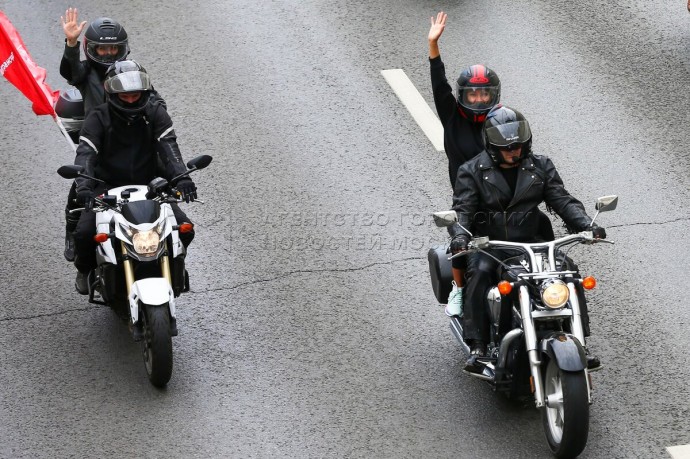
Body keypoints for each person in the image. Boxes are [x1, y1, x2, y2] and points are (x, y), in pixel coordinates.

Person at [449, 106, 605, 371]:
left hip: (533, 243)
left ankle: (579, 340)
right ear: (492, 146)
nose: (514, 151)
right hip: (491, 245)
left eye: (519, 146)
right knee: (480, 273)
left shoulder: (540, 165)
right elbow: (463, 210)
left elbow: (561, 199)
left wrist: (586, 224)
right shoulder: (472, 171)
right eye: (507, 148)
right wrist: (461, 236)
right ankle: (478, 345)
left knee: (569, 272)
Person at [427, 11, 555, 318]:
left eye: (484, 92)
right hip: (470, 195)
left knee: (542, 225)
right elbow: (439, 86)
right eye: (473, 92)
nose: (479, 97)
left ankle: (547, 277)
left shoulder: (500, 122)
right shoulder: (452, 117)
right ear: (462, 96)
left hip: (504, 191)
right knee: (462, 242)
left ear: (494, 95)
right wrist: (433, 47)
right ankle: (459, 290)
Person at [72, 60, 197, 294]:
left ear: (144, 92)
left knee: (183, 228)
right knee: (84, 233)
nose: (131, 100)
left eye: (135, 95)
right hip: (107, 187)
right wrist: (84, 187)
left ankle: (173, 265)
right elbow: (86, 155)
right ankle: (85, 270)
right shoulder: (97, 118)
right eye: (124, 96)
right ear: (113, 93)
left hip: (150, 185)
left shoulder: (155, 113)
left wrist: (182, 179)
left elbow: (169, 149)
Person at [59, 9, 131, 262]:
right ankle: (71, 229)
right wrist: (71, 44)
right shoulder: (85, 73)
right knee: (83, 180)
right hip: (95, 139)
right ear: (92, 49)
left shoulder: (130, 71)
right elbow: (70, 73)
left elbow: (153, 97)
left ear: (122, 49)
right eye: (102, 49)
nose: (108, 54)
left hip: (130, 138)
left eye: (113, 49)